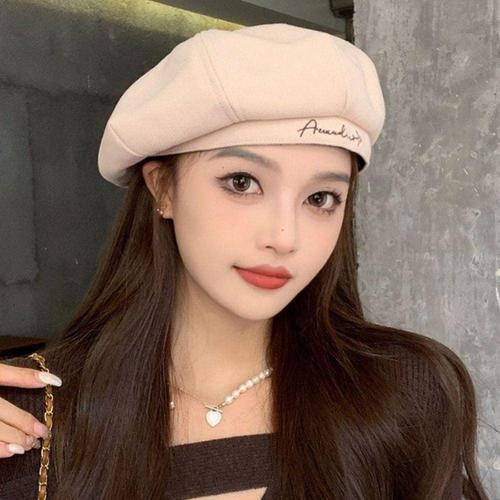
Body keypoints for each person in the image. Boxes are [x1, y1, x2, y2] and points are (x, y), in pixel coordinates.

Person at [0, 22, 490, 500]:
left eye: (320, 198)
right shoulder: (28, 416)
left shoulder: (404, 392)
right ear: (163, 188)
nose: (285, 237)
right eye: (242, 182)